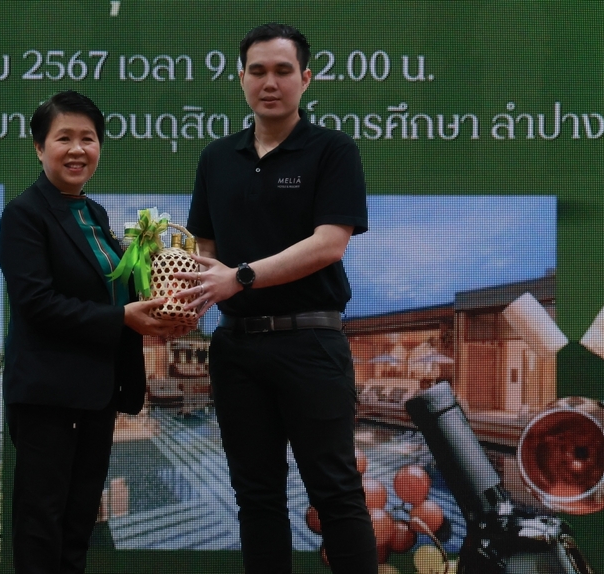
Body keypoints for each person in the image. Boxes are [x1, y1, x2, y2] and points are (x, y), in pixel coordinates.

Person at [174, 23, 377, 573]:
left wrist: (239, 277)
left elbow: (329, 244)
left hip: (310, 343)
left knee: (336, 492)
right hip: (236, 350)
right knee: (256, 497)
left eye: (283, 71)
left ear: (305, 79)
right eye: (258, 71)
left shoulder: (333, 150)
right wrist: (177, 289)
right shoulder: (217, 158)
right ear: (241, 78)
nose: (270, 82)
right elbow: (204, 250)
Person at [0, 90, 181, 574]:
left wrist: (165, 304)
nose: (77, 149)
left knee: (78, 525)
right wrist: (123, 318)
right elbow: (36, 304)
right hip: (47, 395)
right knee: (42, 526)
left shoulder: (95, 215)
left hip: (97, 392)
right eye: (64, 138)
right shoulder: (24, 214)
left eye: (89, 138)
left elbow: (114, 292)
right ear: (40, 147)